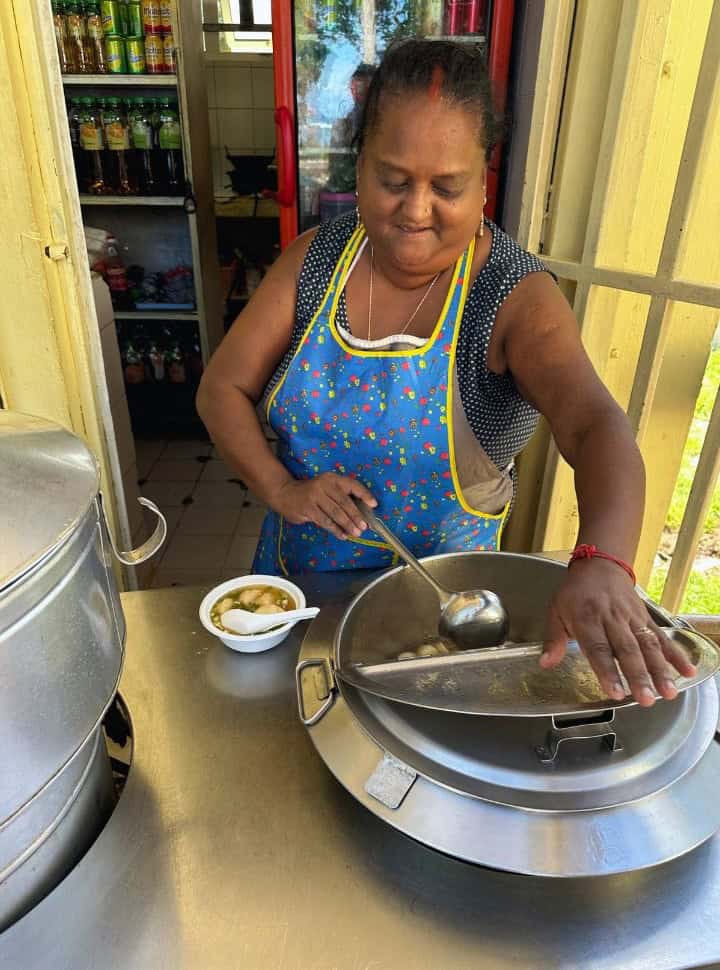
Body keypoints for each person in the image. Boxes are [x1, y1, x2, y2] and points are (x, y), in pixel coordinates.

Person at [197, 39, 695, 707]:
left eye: (447, 187)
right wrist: (282, 488)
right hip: (300, 604)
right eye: (393, 179)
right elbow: (220, 389)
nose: (415, 210)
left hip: (437, 639)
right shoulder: (316, 261)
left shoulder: (510, 294)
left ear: (484, 180)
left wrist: (605, 560)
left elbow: (593, 423)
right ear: (360, 165)